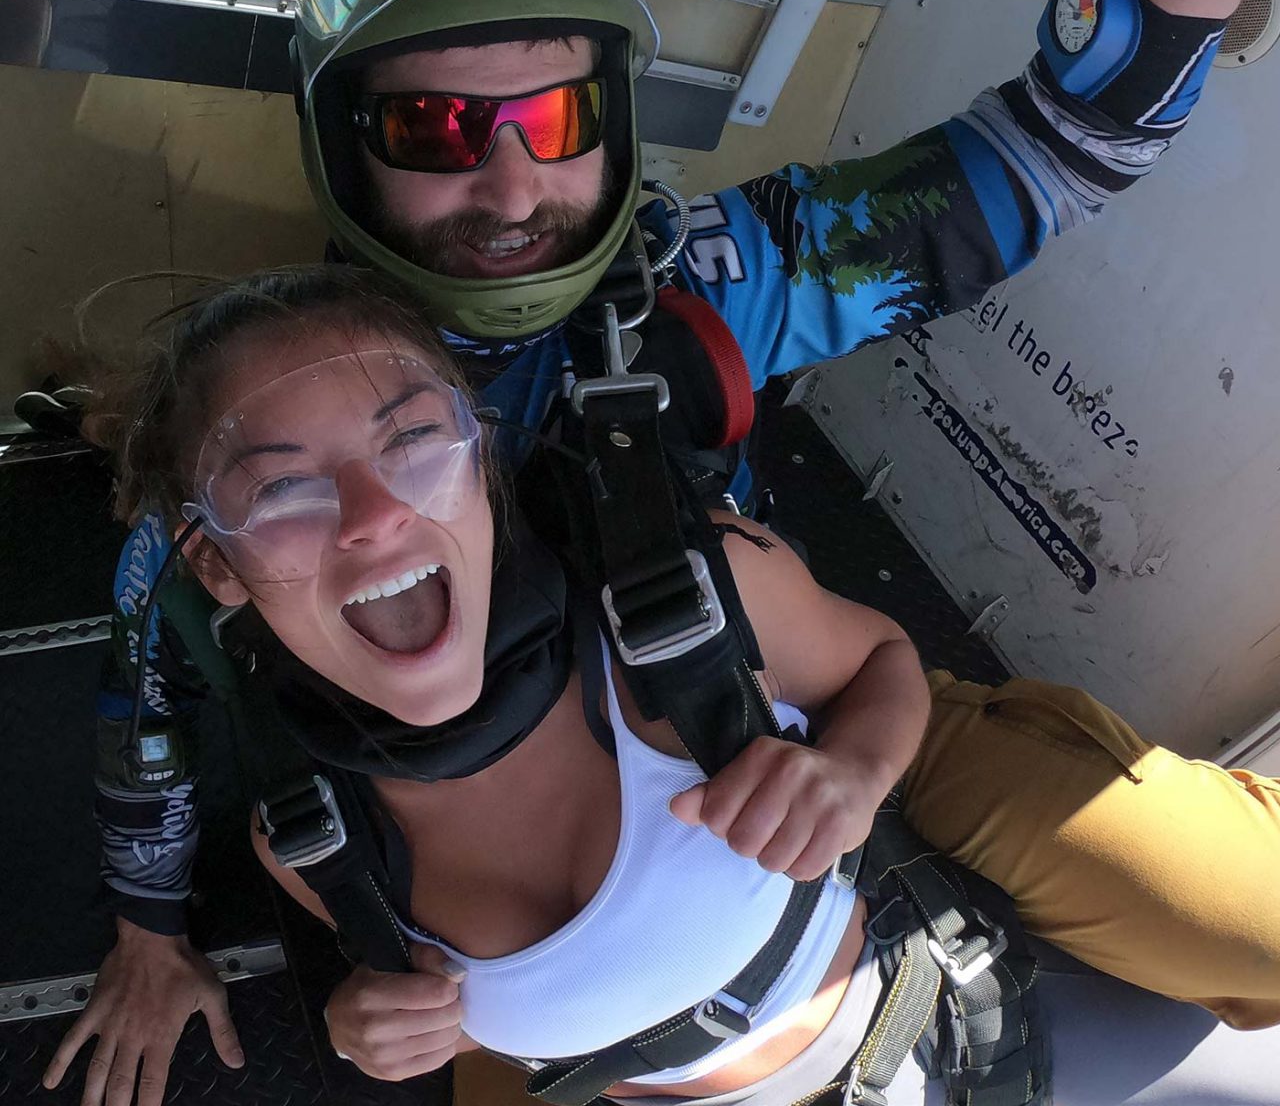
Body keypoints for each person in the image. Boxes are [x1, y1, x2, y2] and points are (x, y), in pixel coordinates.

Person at [45, 0, 1280, 1101]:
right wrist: (149, 933)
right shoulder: (269, 433)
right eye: (432, 127)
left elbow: (1071, 136)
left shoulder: (703, 286)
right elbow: (144, 695)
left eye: (558, 116)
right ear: (343, 141)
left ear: (615, 119)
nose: (512, 184)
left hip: (789, 692)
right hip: (483, 847)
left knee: (1253, 914)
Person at [92, 263, 1280, 1105]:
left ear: (480, 460)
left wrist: (856, 770)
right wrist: (365, 1023)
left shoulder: (685, 604)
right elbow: (408, 987)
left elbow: (879, 659)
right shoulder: (307, 835)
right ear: (218, 564)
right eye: (280, 489)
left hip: (1006, 1004)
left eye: (413, 439)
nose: (372, 515)